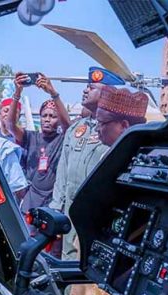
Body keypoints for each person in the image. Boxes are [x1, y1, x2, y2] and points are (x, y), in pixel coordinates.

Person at [68, 87, 150, 295]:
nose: (97, 128)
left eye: (102, 123)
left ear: (123, 125)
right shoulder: (113, 158)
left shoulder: (139, 166)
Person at [49, 67, 114, 260]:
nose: (85, 91)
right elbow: (63, 172)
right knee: (68, 258)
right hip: (70, 206)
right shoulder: (77, 128)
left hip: (96, 209)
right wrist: (56, 208)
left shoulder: (113, 130)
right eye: (86, 87)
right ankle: (68, 292)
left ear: (107, 93)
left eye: (91, 87)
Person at [7, 73, 71, 214]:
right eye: (44, 115)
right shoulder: (31, 137)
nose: (47, 119)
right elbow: (10, 125)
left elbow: (68, 125)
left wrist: (53, 93)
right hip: (31, 201)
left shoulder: (62, 139)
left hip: (52, 201)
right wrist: (17, 94)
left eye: (53, 116)